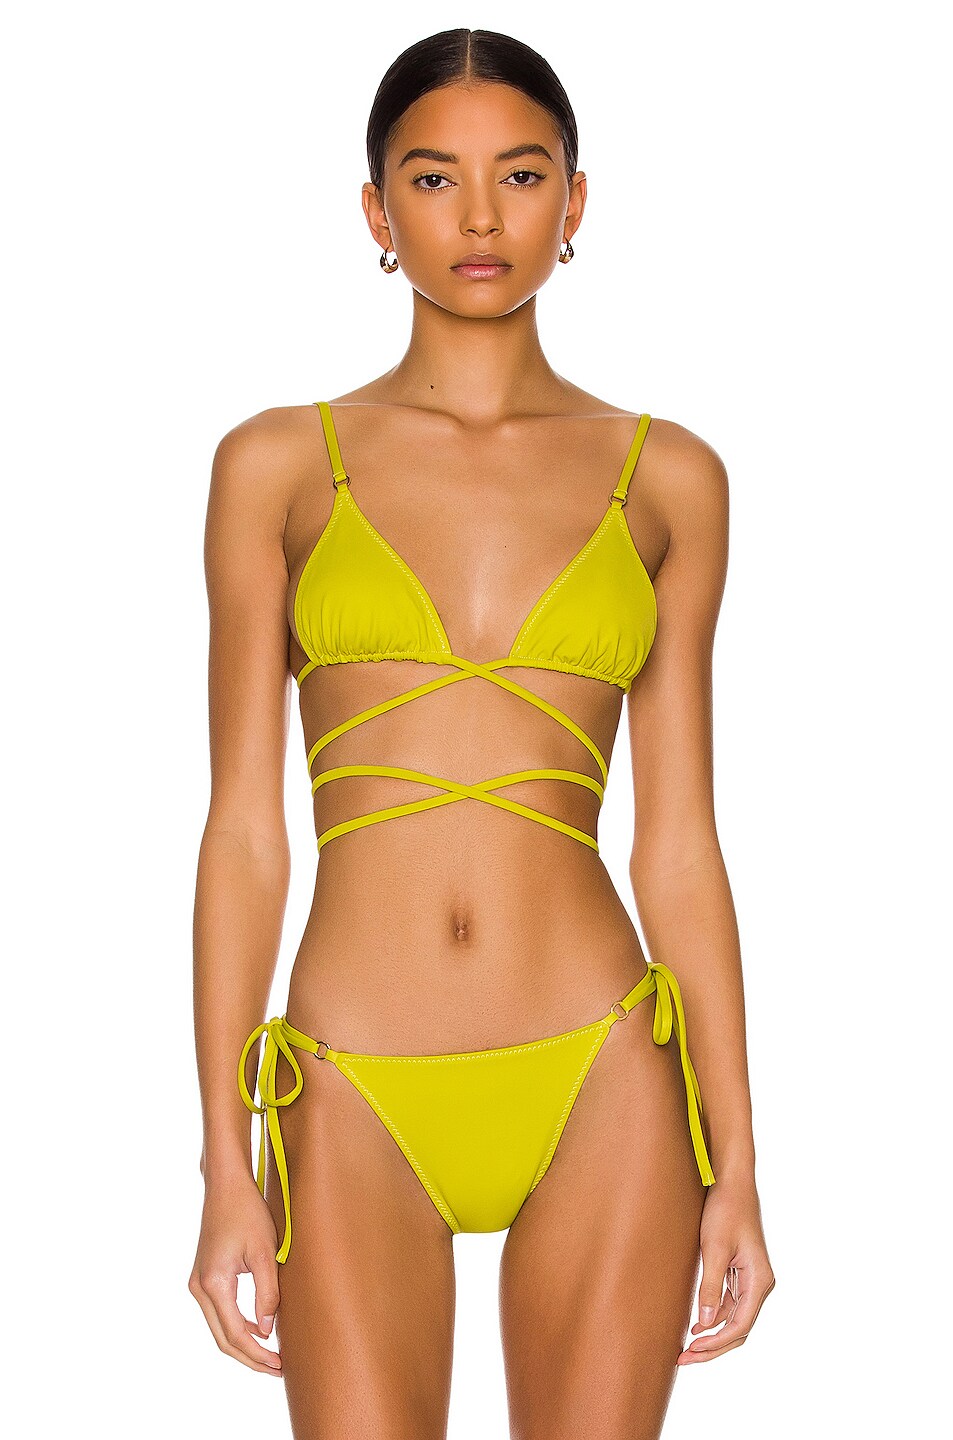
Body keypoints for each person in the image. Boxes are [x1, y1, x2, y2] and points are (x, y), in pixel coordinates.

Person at [188, 26, 775, 1438]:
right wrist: (220, 1159)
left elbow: (680, 844)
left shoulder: (669, 479)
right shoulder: (277, 464)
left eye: (518, 175)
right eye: (432, 178)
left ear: (574, 202)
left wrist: (741, 1162)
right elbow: (245, 831)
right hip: (349, 1073)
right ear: (375, 212)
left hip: (602, 1064)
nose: (478, 218)